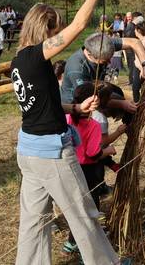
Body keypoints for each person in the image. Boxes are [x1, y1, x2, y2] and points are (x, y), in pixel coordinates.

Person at [10, 0, 124, 265]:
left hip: (29, 151)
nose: (58, 34)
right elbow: (77, 28)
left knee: (34, 221)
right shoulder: (35, 57)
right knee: (82, 212)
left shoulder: (19, 61)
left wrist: (75, 108)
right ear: (45, 29)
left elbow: (40, 104)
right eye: (54, 30)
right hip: (50, 153)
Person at [61, 82, 117, 255]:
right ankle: (88, 243)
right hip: (88, 172)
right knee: (90, 206)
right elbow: (92, 154)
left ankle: (71, 243)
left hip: (69, 168)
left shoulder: (67, 118)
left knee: (76, 206)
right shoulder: (92, 126)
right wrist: (108, 150)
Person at [60, 32, 145, 105]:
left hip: (95, 91)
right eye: (104, 61)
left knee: (118, 93)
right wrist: (122, 104)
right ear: (89, 54)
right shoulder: (77, 68)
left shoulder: (104, 44)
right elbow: (89, 99)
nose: (109, 63)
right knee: (101, 120)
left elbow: (134, 42)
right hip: (76, 105)